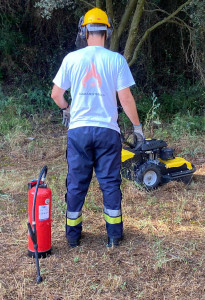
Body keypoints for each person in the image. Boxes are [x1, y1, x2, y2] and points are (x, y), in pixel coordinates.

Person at [51, 8, 144, 248]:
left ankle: (72, 237)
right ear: (107, 32)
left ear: (84, 31)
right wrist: (137, 128)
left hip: (79, 131)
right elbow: (126, 99)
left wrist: (67, 110)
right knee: (110, 183)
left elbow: (56, 95)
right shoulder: (116, 60)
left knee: (76, 183)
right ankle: (114, 235)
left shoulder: (71, 59)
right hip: (107, 131)